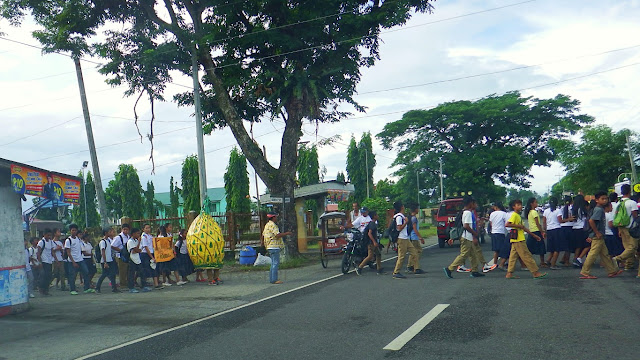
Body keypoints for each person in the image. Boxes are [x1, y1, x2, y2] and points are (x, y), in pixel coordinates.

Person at [579, 191, 623, 279]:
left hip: (600, 235)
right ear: (597, 200)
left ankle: (612, 271)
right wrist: (597, 232)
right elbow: (591, 221)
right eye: (602, 199)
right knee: (593, 254)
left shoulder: (598, 209)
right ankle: (585, 271)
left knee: (605, 254)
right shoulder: (599, 209)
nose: (605, 200)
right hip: (597, 235)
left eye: (606, 198)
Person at [443, 196, 485, 278]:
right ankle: (450, 268)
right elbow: (466, 226)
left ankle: (475, 270)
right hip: (467, 237)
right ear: (470, 203)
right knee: (464, 254)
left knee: (473, 255)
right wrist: (474, 233)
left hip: (468, 236)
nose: (475, 205)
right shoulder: (468, 213)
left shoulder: (465, 212)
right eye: (474, 203)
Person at [504, 199, 547, 279]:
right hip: (519, 239)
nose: (520, 206)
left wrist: (534, 235)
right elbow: (507, 224)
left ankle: (509, 273)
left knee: (513, 257)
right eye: (518, 205)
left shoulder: (517, 215)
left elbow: (523, 227)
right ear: (514, 207)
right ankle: (535, 272)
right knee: (527, 255)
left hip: (516, 239)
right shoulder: (515, 215)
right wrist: (519, 226)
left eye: (520, 205)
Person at [612, 184, 639, 271]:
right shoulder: (632, 203)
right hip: (631, 228)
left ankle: (629, 264)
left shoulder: (618, 204)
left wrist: (619, 230)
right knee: (633, 247)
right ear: (629, 191)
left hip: (621, 227)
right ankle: (618, 259)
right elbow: (635, 216)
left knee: (627, 247)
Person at [263, 212, 292, 284]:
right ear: (273, 217)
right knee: (275, 263)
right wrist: (286, 233)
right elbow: (277, 235)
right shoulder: (273, 225)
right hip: (274, 246)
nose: (276, 218)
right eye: (276, 217)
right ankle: (274, 279)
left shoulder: (267, 225)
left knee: (273, 263)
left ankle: (272, 279)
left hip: (269, 246)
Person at [391, 201, 418, 279]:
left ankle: (415, 268)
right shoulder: (399, 217)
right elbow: (399, 228)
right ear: (401, 207)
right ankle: (396, 272)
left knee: (414, 252)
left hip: (405, 238)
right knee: (401, 256)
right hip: (401, 238)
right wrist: (406, 222)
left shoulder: (401, 216)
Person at [65, 224, 94, 295]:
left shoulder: (78, 239)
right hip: (72, 260)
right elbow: (68, 252)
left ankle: (86, 288)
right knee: (72, 275)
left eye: (75, 230)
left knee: (86, 272)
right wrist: (73, 262)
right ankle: (72, 289)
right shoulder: (68, 240)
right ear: (70, 231)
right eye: (72, 230)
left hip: (80, 259)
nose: (74, 232)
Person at [355, 211, 383, 275]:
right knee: (370, 256)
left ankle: (379, 269)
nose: (378, 216)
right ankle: (360, 268)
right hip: (371, 243)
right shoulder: (372, 224)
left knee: (378, 254)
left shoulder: (372, 223)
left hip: (373, 242)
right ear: (374, 216)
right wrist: (374, 242)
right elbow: (369, 233)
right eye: (377, 215)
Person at [95, 228, 119, 293]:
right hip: (105, 261)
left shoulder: (108, 241)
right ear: (106, 233)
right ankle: (97, 287)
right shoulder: (103, 242)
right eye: (110, 232)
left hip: (110, 260)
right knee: (104, 274)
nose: (111, 233)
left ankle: (114, 288)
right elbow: (103, 252)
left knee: (112, 274)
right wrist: (105, 262)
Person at [127, 228, 151, 293]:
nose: (138, 235)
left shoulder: (136, 241)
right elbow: (135, 250)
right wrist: (139, 243)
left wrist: (138, 246)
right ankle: (131, 287)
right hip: (132, 259)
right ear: (133, 234)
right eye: (137, 233)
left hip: (138, 259)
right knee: (131, 274)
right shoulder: (130, 241)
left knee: (142, 272)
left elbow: (139, 250)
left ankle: (143, 286)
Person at [524, 198, 546, 267]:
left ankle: (527, 262)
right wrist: (542, 231)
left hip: (531, 231)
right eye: (535, 202)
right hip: (536, 231)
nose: (537, 204)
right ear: (532, 204)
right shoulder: (534, 212)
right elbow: (537, 223)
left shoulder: (529, 212)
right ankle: (542, 262)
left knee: (529, 248)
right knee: (541, 247)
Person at [140, 223, 163, 290]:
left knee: (154, 268)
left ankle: (156, 284)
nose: (148, 229)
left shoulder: (150, 236)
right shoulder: (144, 237)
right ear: (143, 229)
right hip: (145, 254)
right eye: (146, 228)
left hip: (152, 253)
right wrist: (151, 257)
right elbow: (146, 247)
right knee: (145, 269)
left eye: (149, 228)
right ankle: (143, 283)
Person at [570, 195, 589, 267]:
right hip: (582, 228)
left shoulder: (574, 209)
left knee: (578, 246)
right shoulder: (582, 209)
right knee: (587, 245)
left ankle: (575, 260)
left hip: (575, 228)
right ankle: (579, 259)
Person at [543, 197, 562, 269]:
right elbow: (560, 221)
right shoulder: (558, 210)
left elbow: (544, 222)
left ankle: (548, 261)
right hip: (557, 230)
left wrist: (544, 230)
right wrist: (569, 219)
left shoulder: (546, 211)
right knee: (557, 248)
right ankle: (553, 264)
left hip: (549, 230)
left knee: (551, 248)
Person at [489, 203, 509, 270]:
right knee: (503, 249)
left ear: (496, 207)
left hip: (494, 232)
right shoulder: (504, 214)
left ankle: (495, 263)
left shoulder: (492, 214)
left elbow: (491, 223)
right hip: (501, 232)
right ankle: (502, 264)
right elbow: (506, 223)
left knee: (496, 250)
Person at [110, 223, 130, 290]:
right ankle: (122, 284)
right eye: (124, 229)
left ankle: (126, 282)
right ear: (122, 229)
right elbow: (112, 246)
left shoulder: (128, 237)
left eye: (127, 229)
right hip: (120, 256)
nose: (125, 231)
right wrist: (120, 250)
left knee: (127, 269)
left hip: (127, 255)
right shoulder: (118, 237)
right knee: (122, 270)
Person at [407, 206, 425, 274]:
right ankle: (413, 266)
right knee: (418, 251)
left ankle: (410, 266)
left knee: (413, 252)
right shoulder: (414, 218)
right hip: (414, 237)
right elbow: (415, 229)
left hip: (411, 237)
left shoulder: (410, 217)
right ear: (415, 210)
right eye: (417, 209)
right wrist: (420, 237)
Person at [36, 228, 54, 296]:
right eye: (48, 235)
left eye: (50, 235)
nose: (49, 237)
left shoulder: (51, 242)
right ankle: (41, 289)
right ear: (44, 235)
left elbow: (52, 251)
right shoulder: (41, 242)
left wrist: (56, 259)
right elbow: (38, 253)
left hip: (49, 261)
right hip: (44, 261)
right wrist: (40, 262)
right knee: (44, 276)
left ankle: (46, 290)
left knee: (49, 276)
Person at [559, 195, 575, 266]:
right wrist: (569, 219)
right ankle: (567, 261)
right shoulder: (572, 208)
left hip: (563, 227)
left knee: (566, 245)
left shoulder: (561, 208)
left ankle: (563, 259)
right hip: (570, 227)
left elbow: (560, 220)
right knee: (569, 245)